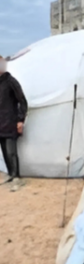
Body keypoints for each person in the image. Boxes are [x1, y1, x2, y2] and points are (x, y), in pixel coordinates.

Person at [0, 56, 28, 191]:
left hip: (10, 121)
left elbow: (22, 101)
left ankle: (16, 176)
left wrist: (20, 120)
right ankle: (10, 174)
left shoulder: (11, 82)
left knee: (11, 151)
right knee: (4, 151)